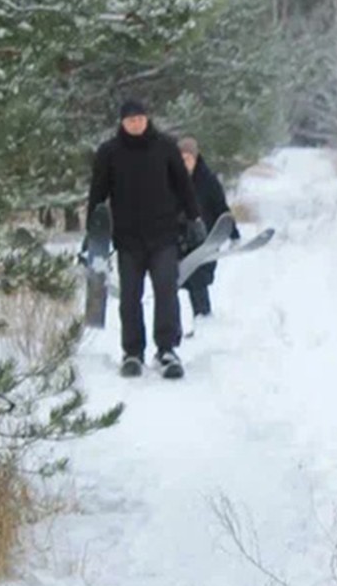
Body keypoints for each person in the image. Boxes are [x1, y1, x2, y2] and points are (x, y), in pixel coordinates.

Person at [87, 99, 202, 379]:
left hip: (163, 235)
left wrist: (194, 217)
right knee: (130, 297)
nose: (135, 123)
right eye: (130, 120)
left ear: (147, 119)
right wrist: (94, 230)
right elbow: (98, 192)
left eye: (139, 118)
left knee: (166, 292)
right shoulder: (109, 152)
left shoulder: (165, 147)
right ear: (122, 123)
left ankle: (166, 350)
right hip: (128, 239)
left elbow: (183, 185)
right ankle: (132, 352)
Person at [177, 136, 237, 325]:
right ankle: (174, 332)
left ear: (195, 158)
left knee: (199, 279)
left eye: (187, 158)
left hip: (206, 238)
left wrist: (233, 232)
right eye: (180, 159)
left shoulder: (207, 180)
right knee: (177, 282)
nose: (184, 163)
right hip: (180, 239)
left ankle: (203, 319)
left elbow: (221, 207)